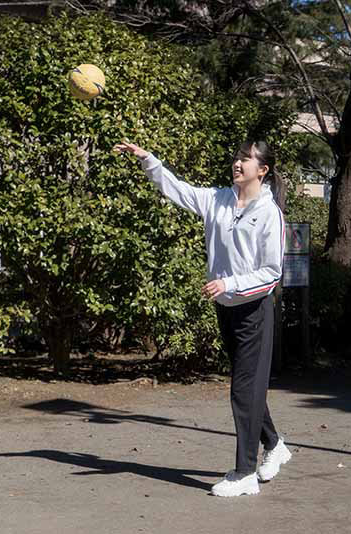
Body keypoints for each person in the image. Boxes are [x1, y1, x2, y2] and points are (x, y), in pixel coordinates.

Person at [113, 139, 291, 497]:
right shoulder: (217, 200)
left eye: (246, 160)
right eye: (237, 158)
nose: (237, 164)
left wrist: (230, 282)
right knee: (249, 388)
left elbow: (272, 273)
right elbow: (177, 189)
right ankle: (274, 444)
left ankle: (245, 473)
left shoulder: (269, 213)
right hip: (226, 308)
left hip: (254, 311)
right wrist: (148, 159)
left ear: (262, 170)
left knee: (243, 390)